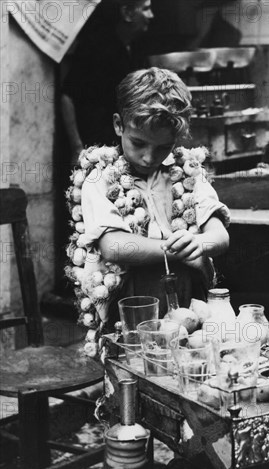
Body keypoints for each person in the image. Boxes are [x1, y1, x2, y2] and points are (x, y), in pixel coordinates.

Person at [65, 67, 230, 355]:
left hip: (188, 303)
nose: (149, 157)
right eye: (139, 143)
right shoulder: (99, 177)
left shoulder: (187, 172)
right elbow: (115, 245)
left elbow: (220, 236)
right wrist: (175, 250)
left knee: (184, 369)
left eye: (163, 147)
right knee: (134, 373)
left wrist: (201, 243)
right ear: (119, 125)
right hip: (130, 307)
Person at [61, 0, 154, 165]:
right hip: (94, 150)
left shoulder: (137, 49)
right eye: (146, 9)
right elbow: (67, 97)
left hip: (123, 150)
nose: (151, 15)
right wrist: (77, 148)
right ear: (127, 13)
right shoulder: (94, 48)